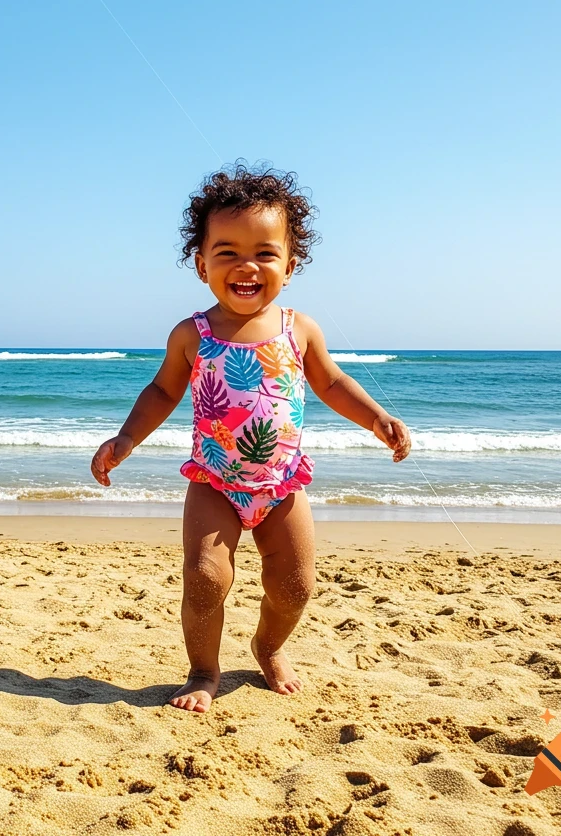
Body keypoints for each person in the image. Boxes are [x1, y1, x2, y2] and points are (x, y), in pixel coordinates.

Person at [90, 165, 412, 713]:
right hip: (214, 481)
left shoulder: (299, 328)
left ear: (290, 264)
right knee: (206, 578)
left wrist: (376, 418)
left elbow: (331, 382)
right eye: (227, 251)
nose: (247, 265)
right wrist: (125, 438)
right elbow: (162, 391)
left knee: (295, 585)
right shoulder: (193, 333)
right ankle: (203, 669)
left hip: (282, 483)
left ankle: (267, 646)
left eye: (265, 253)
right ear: (201, 265)